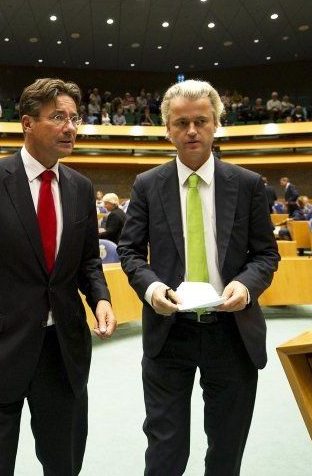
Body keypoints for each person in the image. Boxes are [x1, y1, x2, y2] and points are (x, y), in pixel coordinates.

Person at [0, 77, 115, 476]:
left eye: (75, 118)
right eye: (58, 117)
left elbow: (87, 264)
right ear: (27, 123)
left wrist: (100, 298)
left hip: (61, 354)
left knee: (63, 466)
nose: (70, 127)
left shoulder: (81, 188)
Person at [117, 78, 279, 476]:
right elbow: (130, 252)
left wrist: (246, 283)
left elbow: (265, 254)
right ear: (168, 129)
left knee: (226, 446)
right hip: (169, 332)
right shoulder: (147, 185)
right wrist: (152, 288)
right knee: (166, 446)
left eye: (201, 121)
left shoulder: (247, 184)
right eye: (181, 122)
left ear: (216, 124)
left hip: (231, 331)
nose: (191, 130)